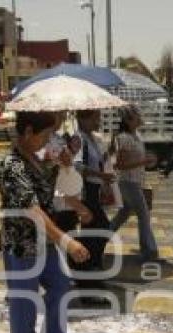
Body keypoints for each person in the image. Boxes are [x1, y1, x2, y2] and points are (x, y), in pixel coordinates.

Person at [0, 110, 91, 333]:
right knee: (24, 297)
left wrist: (62, 167)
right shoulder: (12, 166)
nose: (48, 140)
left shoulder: (37, 160)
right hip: (23, 243)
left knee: (61, 284)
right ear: (28, 132)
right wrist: (66, 241)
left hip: (45, 241)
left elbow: (50, 193)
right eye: (46, 134)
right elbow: (32, 209)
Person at [109, 105, 160, 263]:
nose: (140, 118)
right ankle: (149, 251)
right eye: (137, 116)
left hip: (135, 181)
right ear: (129, 120)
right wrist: (144, 161)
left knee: (123, 214)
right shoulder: (124, 138)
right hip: (128, 182)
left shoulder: (136, 135)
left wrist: (146, 161)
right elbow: (120, 165)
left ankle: (100, 238)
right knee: (143, 215)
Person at [74, 109, 116, 296]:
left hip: (94, 190)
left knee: (97, 231)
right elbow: (77, 166)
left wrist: (107, 157)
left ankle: (90, 267)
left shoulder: (92, 138)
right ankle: (88, 268)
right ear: (83, 119)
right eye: (95, 118)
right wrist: (100, 175)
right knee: (100, 229)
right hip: (85, 192)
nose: (98, 122)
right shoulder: (79, 138)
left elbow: (96, 162)